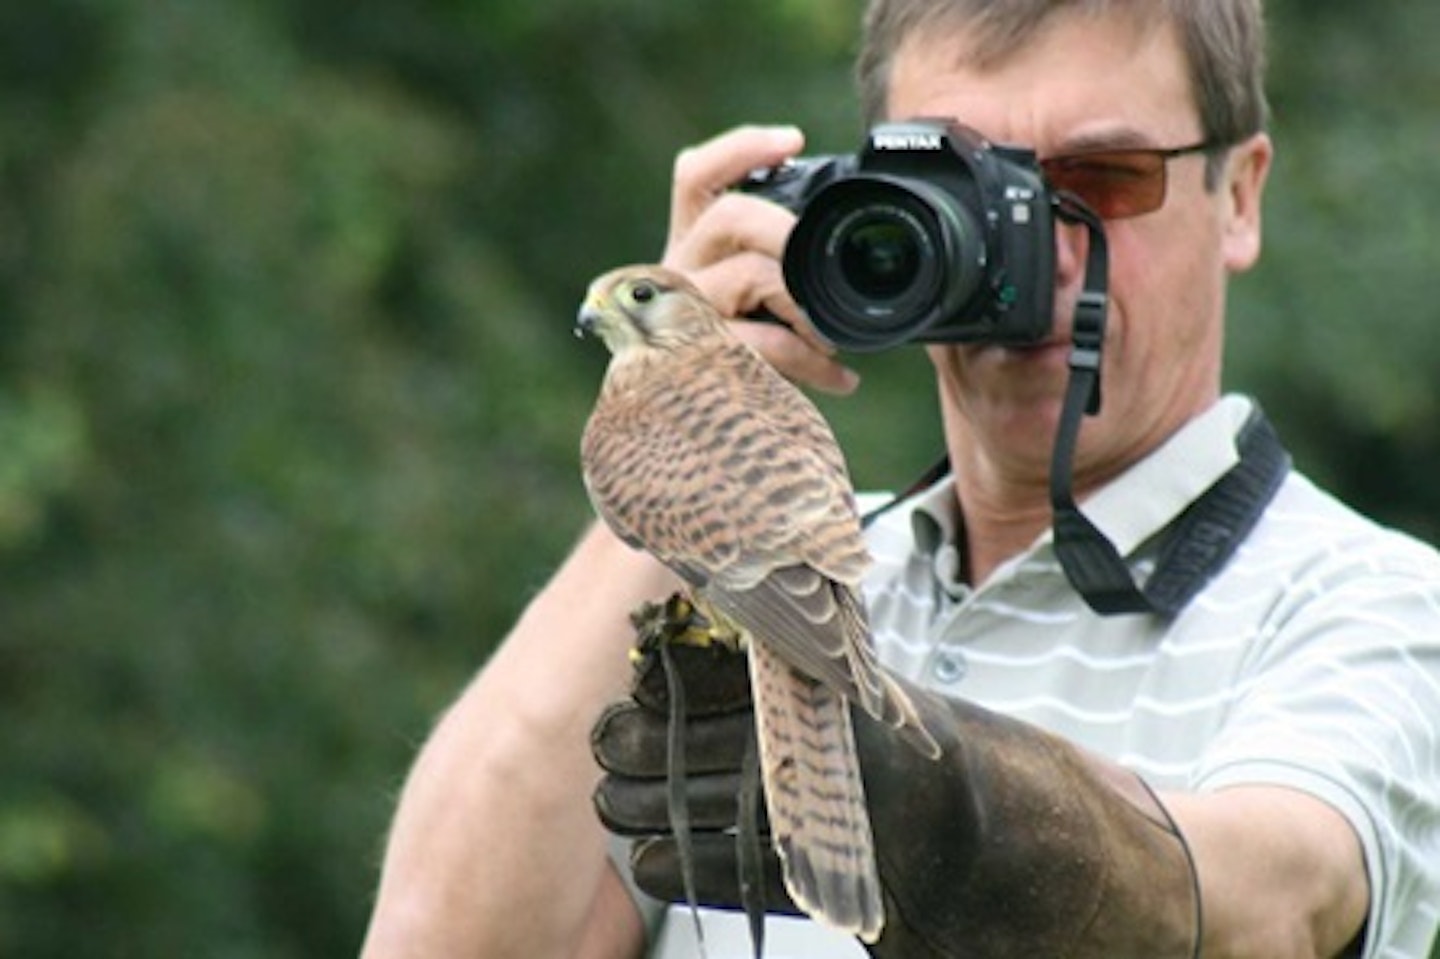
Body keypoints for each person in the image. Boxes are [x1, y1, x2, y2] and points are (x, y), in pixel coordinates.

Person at [360, 1, 1440, 957]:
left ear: (1240, 196)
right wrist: (676, 413)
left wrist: (969, 815)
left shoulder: (1371, 599)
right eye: (970, 188)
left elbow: (1281, 904)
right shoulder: (810, 546)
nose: (1040, 246)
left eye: (1102, 180)